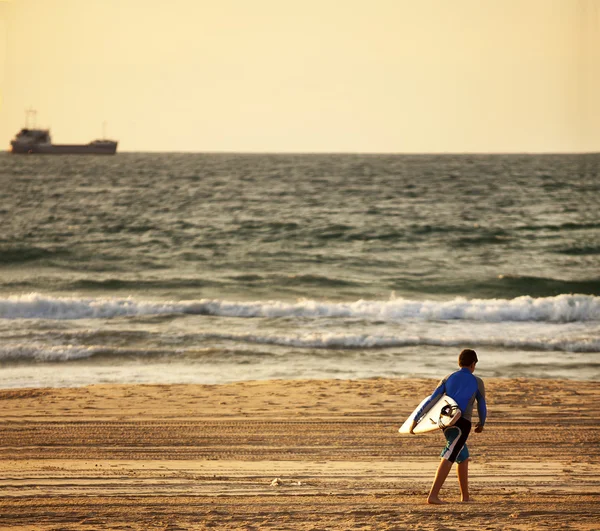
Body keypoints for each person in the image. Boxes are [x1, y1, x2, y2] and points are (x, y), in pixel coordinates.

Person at [409, 348, 487, 504]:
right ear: (473, 364)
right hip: (463, 423)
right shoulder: (477, 381)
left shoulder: (447, 378)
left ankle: (465, 497)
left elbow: (431, 400)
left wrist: (416, 419)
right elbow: (482, 404)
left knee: (462, 456)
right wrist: (482, 422)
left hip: (446, 422)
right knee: (450, 454)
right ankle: (433, 495)